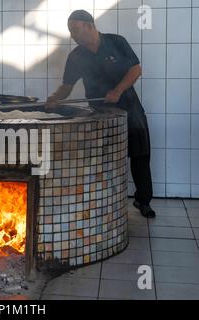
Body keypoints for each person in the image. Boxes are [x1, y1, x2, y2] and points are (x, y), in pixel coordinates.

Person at [46, 10, 156, 218]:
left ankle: (144, 201)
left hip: (130, 109)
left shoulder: (116, 42)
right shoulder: (76, 56)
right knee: (103, 157)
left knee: (140, 155)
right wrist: (55, 98)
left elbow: (136, 70)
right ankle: (103, 202)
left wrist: (117, 91)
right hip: (100, 113)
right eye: (70, 30)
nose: (72, 35)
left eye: (74, 29)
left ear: (89, 26)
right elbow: (67, 86)